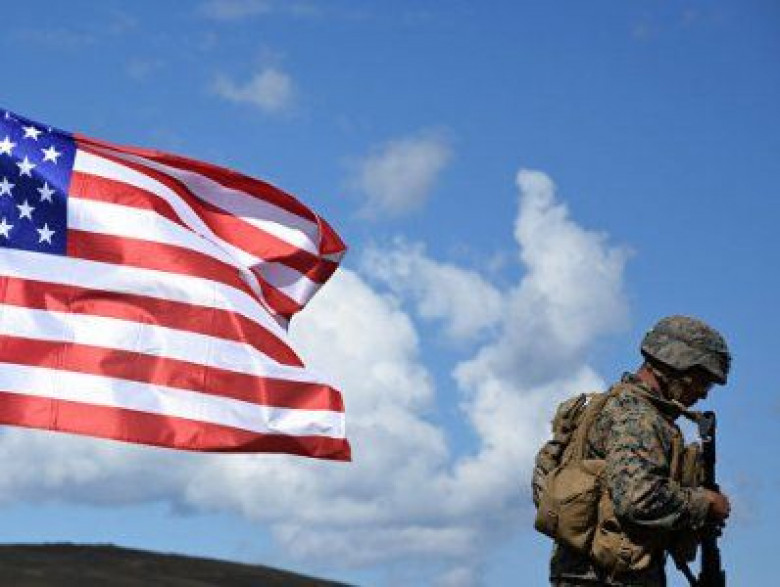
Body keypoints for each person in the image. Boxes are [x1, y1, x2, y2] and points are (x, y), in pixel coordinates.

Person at [533, 315, 732, 586]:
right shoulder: (639, 418)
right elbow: (638, 499)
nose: (704, 393)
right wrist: (704, 503)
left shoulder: (606, 407)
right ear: (679, 366)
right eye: (703, 380)